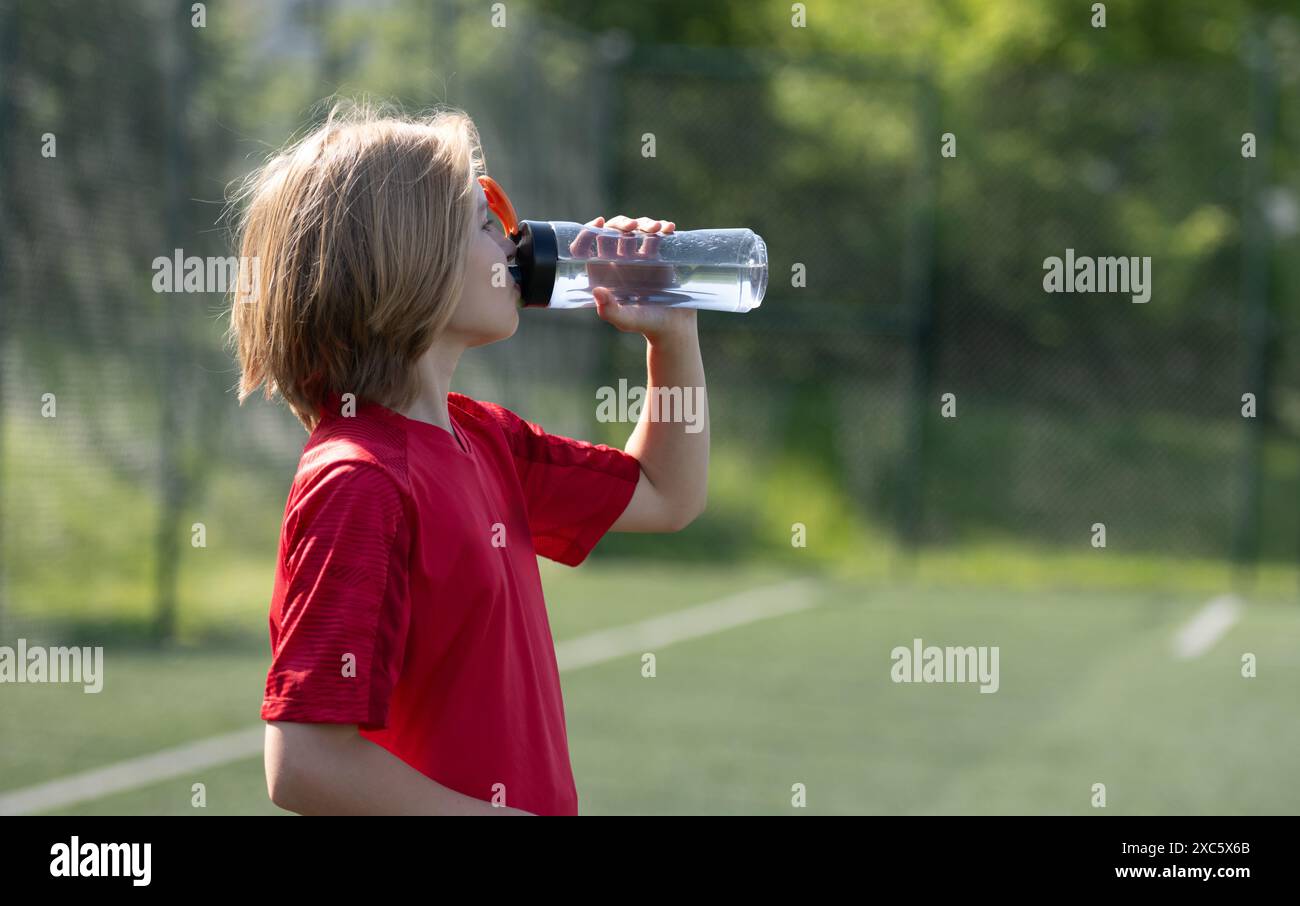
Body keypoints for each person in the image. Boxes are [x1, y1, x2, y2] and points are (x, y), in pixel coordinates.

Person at [227, 103, 708, 815]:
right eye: (485, 220)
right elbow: (304, 763)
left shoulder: (483, 439)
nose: (515, 241)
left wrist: (672, 338)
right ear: (407, 259)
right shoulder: (359, 480)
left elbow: (669, 494)